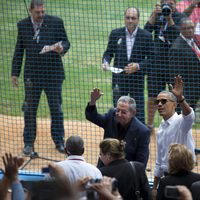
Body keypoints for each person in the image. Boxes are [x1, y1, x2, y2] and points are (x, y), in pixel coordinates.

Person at [11, 0, 70, 155]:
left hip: (53, 74)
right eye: (38, 12)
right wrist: (14, 73)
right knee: (30, 110)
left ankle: (59, 141)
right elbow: (19, 49)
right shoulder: (22, 25)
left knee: (56, 109)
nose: (41, 15)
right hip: (32, 76)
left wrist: (61, 47)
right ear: (31, 11)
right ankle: (28, 143)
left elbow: (66, 41)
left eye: (43, 12)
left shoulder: (56, 22)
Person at [102, 7, 155, 123]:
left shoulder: (146, 36)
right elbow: (108, 52)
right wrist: (105, 62)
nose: (130, 20)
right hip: (119, 80)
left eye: (133, 18)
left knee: (138, 113)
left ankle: (139, 139)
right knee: (119, 112)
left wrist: (138, 66)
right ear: (124, 19)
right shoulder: (116, 34)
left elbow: (152, 58)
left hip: (137, 81)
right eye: (128, 18)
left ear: (138, 20)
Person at [144, 0, 186, 131]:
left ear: (175, 3)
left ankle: (173, 124)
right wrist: (153, 15)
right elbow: (145, 33)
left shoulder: (181, 17)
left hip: (173, 64)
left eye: (171, 3)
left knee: (173, 96)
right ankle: (149, 125)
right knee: (152, 96)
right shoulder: (158, 15)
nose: (167, 6)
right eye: (165, 3)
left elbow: (177, 38)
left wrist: (170, 18)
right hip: (156, 64)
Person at [152, 75, 195, 199]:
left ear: (174, 105)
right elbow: (159, 161)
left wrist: (180, 98)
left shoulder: (181, 122)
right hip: (167, 178)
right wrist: (155, 187)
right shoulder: (161, 128)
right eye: (157, 102)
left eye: (164, 101)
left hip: (184, 177)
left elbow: (190, 116)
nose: (159, 104)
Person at [85, 88, 151, 167]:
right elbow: (92, 117)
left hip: (125, 173)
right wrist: (93, 101)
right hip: (105, 168)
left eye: (123, 112)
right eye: (117, 110)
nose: (119, 114)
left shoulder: (142, 132)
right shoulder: (111, 116)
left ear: (133, 113)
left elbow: (141, 162)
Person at [169, 17, 200, 113]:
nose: (190, 30)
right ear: (180, 29)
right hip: (186, 94)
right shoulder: (176, 48)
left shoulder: (193, 41)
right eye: (187, 28)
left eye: (191, 27)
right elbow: (176, 76)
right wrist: (182, 97)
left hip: (195, 90)